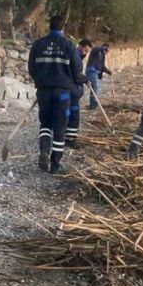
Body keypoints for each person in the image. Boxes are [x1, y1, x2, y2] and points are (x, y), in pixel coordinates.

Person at [28, 15, 86, 174]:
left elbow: (32, 68)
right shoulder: (68, 45)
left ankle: (44, 151)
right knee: (60, 126)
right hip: (63, 93)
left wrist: (41, 81)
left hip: (44, 91)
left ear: (49, 27)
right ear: (63, 28)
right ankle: (55, 164)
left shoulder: (38, 44)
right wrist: (81, 80)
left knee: (45, 123)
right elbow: (77, 70)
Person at [66, 39, 93, 148]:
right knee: (74, 115)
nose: (86, 54)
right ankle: (70, 139)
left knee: (68, 115)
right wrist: (86, 80)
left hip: (72, 91)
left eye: (88, 52)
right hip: (72, 92)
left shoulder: (76, 56)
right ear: (80, 46)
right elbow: (76, 75)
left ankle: (66, 136)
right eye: (85, 51)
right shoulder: (75, 57)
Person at [86, 43, 112, 109]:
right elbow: (96, 49)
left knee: (95, 89)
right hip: (91, 71)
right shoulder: (96, 51)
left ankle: (93, 104)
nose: (106, 52)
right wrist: (102, 48)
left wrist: (108, 71)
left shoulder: (102, 56)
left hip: (96, 72)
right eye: (106, 50)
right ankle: (93, 104)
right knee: (95, 88)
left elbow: (102, 67)